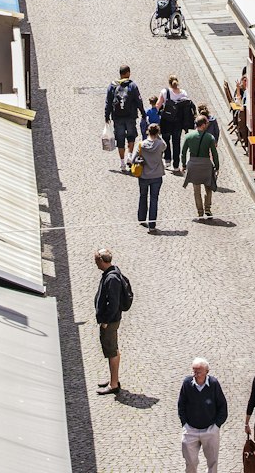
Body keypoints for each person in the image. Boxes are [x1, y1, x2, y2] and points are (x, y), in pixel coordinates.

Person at [178, 357, 228, 473]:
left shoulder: (214, 384)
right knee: (190, 462)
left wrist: (216, 426)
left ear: (207, 371)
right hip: (191, 429)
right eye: (194, 371)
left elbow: (222, 407)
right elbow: (181, 405)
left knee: (212, 462)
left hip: (210, 429)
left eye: (199, 371)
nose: (196, 374)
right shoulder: (187, 384)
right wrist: (184, 424)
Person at [93, 250, 132, 395]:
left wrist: (105, 321)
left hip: (110, 321)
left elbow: (113, 304)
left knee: (112, 350)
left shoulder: (112, 279)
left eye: (96, 261)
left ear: (102, 261)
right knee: (111, 350)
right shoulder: (111, 273)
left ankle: (114, 384)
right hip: (110, 320)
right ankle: (112, 379)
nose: (95, 264)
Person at [182, 112, 221, 218]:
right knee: (208, 187)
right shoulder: (210, 137)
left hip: (193, 164)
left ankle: (200, 211)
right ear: (203, 125)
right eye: (207, 123)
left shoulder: (188, 136)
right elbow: (214, 153)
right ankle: (207, 208)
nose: (208, 124)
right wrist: (217, 166)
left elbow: (183, 152)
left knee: (196, 190)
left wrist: (184, 165)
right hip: (206, 164)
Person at [105, 66, 145, 164]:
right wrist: (143, 113)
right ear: (128, 73)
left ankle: (122, 162)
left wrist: (107, 116)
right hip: (130, 116)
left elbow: (108, 102)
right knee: (131, 137)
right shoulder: (132, 85)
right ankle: (130, 156)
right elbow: (139, 101)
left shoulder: (112, 86)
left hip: (117, 117)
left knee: (120, 139)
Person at [136, 122, 166, 231]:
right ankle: (152, 225)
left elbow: (134, 159)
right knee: (154, 199)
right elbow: (165, 146)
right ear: (157, 132)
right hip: (157, 175)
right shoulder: (160, 144)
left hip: (144, 175)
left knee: (143, 196)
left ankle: (141, 218)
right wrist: (159, 137)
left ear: (148, 132)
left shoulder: (142, 144)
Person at [158, 76, 191, 170]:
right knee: (176, 143)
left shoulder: (165, 92)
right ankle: (176, 165)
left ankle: (167, 160)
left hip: (166, 121)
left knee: (166, 140)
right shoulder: (183, 93)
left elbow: (158, 105)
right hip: (178, 122)